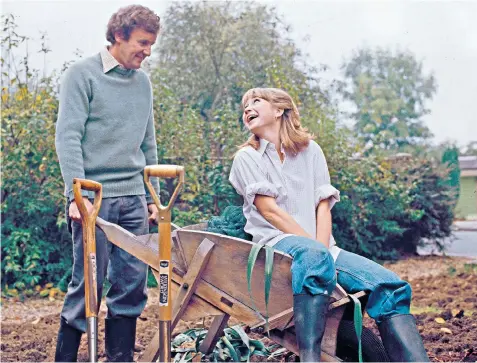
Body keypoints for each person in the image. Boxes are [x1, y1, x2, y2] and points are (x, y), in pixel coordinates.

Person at [229, 88, 429, 362]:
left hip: (319, 248)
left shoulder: (311, 151)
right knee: (314, 256)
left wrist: (322, 249)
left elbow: (323, 204)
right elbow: (269, 210)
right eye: (244, 106)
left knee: (391, 287)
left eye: (256, 101)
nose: (247, 108)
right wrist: (316, 251)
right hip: (275, 245)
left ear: (279, 110)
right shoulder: (247, 157)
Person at [54, 5, 161, 362]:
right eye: (143, 43)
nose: (147, 52)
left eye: (151, 45)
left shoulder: (142, 82)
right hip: (94, 200)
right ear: (119, 35)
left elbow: (148, 142)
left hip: (133, 200)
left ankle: (120, 358)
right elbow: (68, 137)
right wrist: (76, 194)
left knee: (132, 289)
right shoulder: (82, 75)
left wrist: (152, 197)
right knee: (87, 288)